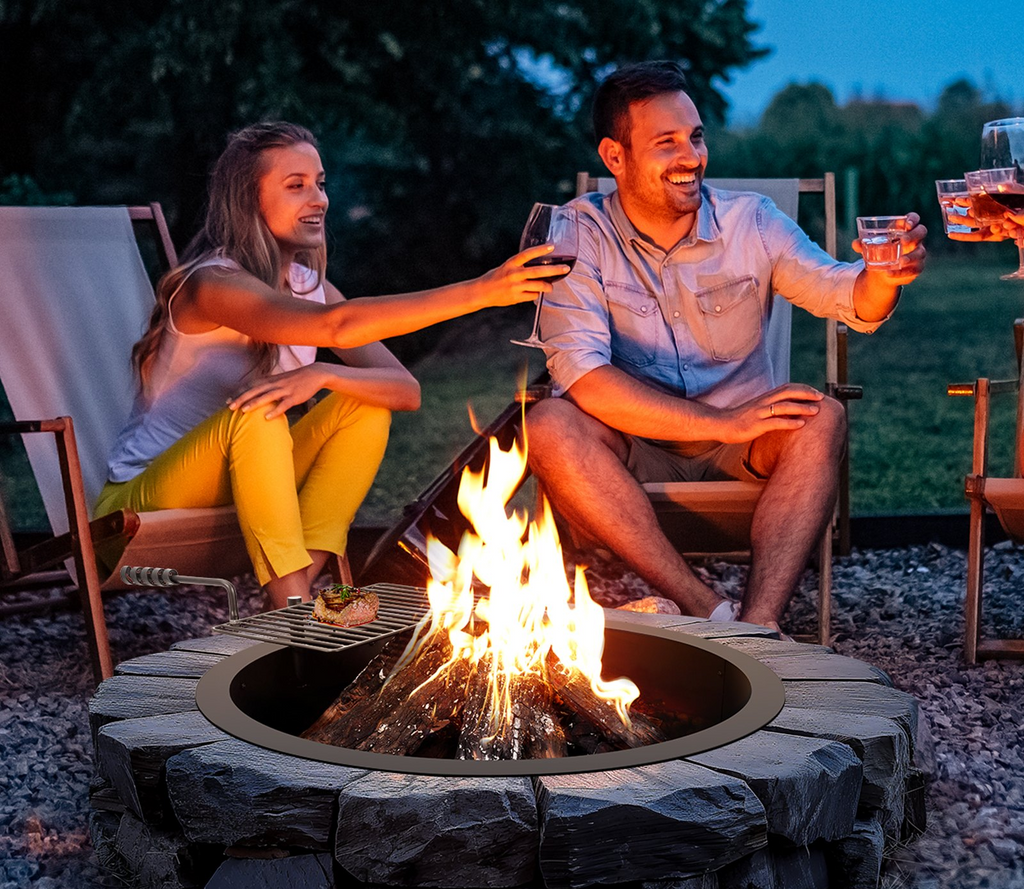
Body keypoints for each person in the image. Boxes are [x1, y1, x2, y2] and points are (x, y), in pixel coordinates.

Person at [95, 121, 567, 608]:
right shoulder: (211, 285)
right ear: (248, 200)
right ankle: (295, 614)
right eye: (295, 185)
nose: (318, 198)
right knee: (259, 413)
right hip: (141, 504)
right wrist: (480, 291)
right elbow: (335, 327)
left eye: (320, 183)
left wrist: (323, 374)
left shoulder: (309, 286)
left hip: (240, 490)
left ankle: (305, 599)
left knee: (363, 405)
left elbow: (406, 391)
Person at [526, 62, 927, 632]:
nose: (692, 157)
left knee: (822, 417)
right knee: (549, 424)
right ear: (615, 157)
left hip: (743, 454)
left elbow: (846, 294)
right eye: (667, 143)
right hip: (632, 446)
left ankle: (759, 630)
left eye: (696, 137)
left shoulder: (751, 222)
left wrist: (885, 276)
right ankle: (704, 609)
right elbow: (587, 380)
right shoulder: (576, 234)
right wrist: (723, 423)